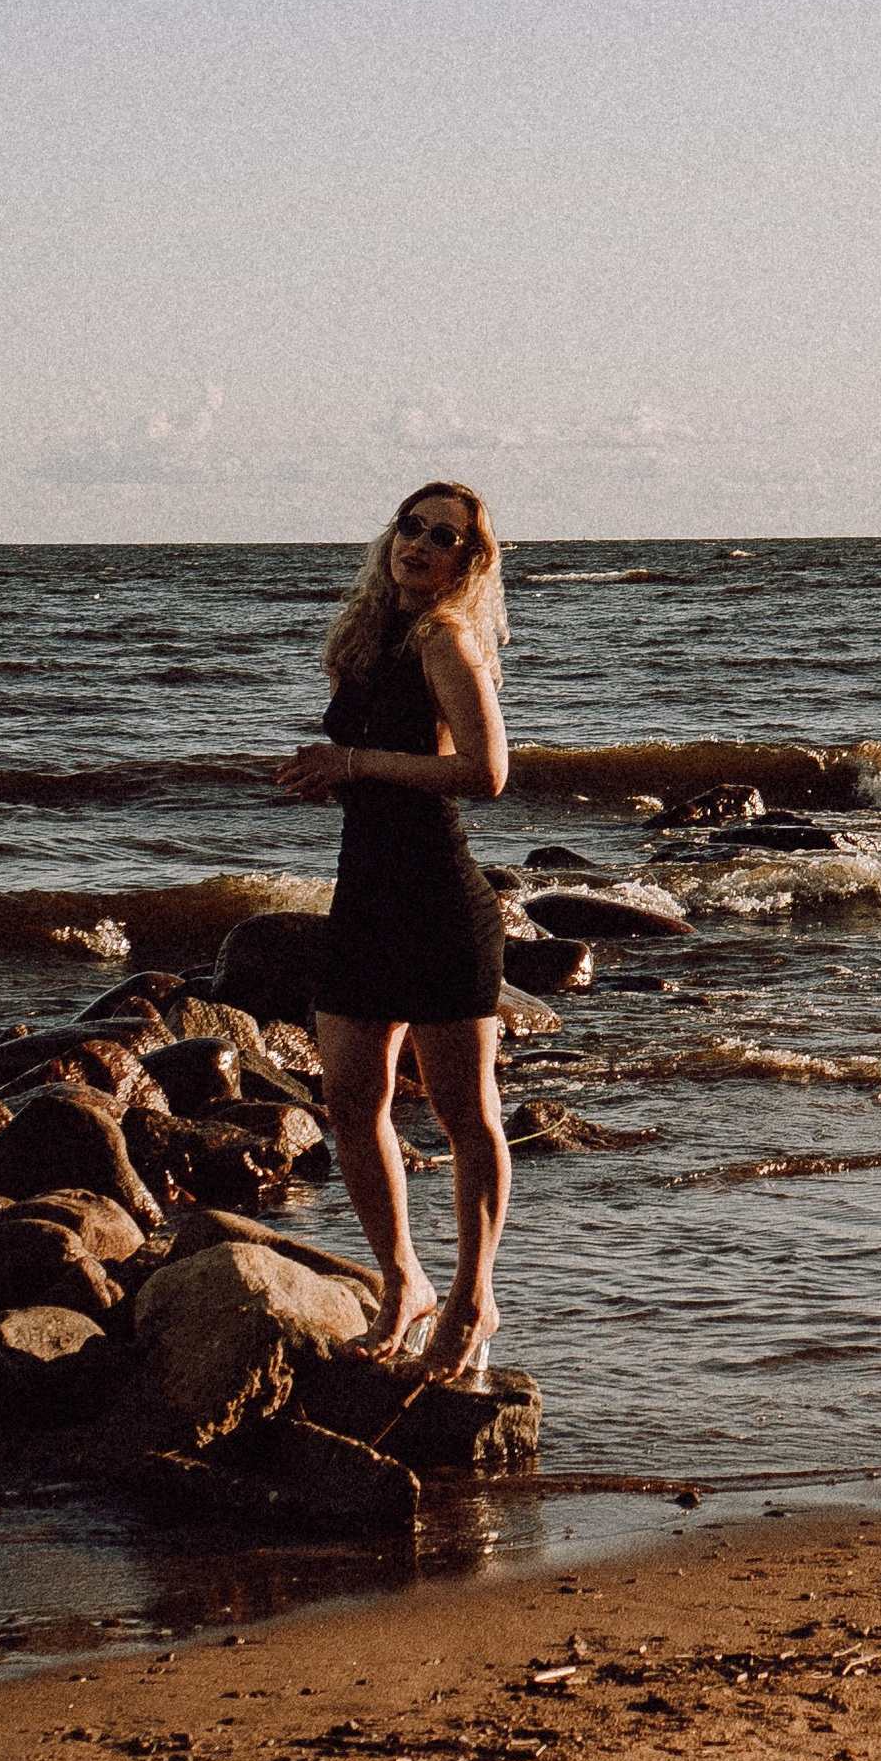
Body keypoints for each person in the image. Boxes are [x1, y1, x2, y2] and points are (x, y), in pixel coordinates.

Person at [274, 482, 512, 1375]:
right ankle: (403, 1281)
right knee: (349, 1100)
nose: (419, 543)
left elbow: (486, 772)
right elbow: (387, 766)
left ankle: (472, 1301)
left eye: (443, 536)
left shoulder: (444, 638)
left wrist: (355, 761)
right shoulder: (368, 637)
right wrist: (335, 778)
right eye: (410, 525)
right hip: (366, 896)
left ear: (467, 560)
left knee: (462, 1113)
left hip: (439, 903)